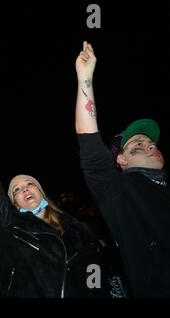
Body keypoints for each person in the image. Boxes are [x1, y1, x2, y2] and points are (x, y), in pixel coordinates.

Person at [0, 103, 106, 297]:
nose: (25, 189)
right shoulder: (11, 226)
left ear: (41, 191)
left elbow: (94, 275)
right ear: (14, 203)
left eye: (30, 184)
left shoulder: (76, 227)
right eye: (17, 190)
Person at [75, 41, 170, 297]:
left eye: (150, 142)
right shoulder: (121, 192)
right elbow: (91, 148)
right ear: (122, 161)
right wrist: (85, 79)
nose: (149, 146)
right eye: (138, 144)